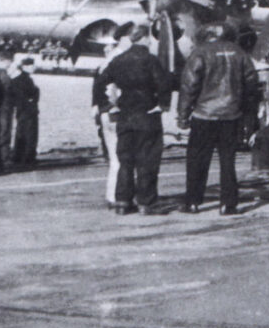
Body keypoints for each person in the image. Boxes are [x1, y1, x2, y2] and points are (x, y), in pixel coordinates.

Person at [177, 22, 259, 215]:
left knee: (197, 160)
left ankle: (193, 202)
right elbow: (251, 86)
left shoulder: (200, 53)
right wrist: (249, 115)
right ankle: (228, 204)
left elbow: (189, 86)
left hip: (204, 115)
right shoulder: (240, 53)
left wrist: (183, 115)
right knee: (227, 161)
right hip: (231, 115)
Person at [97, 25, 173, 215]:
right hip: (147, 114)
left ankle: (122, 201)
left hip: (125, 114)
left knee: (126, 160)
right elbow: (163, 84)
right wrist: (163, 104)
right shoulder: (150, 60)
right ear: (145, 39)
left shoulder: (118, 60)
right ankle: (146, 202)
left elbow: (101, 82)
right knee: (147, 160)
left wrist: (108, 104)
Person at [93, 43, 123, 208]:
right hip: (115, 114)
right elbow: (114, 96)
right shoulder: (114, 72)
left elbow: (97, 94)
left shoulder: (101, 70)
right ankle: (118, 195)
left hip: (105, 113)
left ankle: (112, 195)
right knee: (121, 158)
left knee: (114, 159)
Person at [8, 58, 41, 168]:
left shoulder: (15, 80)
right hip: (29, 110)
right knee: (30, 134)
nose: (34, 67)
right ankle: (28, 158)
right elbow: (31, 95)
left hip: (20, 110)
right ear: (25, 67)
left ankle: (18, 156)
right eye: (31, 65)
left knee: (21, 132)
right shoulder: (27, 80)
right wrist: (33, 98)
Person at [0, 52, 16, 163]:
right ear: (6, 61)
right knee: (5, 131)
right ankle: (4, 157)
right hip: (5, 108)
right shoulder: (5, 77)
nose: (11, 63)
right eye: (10, 61)